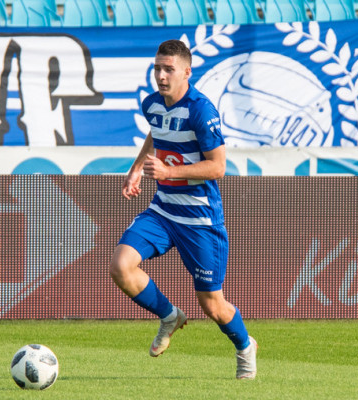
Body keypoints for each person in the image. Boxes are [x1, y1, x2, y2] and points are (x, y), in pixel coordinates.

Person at [109, 39, 257, 380]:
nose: (161, 76)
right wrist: (136, 170)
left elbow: (218, 167)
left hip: (200, 219)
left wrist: (168, 172)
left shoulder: (201, 111)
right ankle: (169, 316)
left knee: (212, 305)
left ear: (187, 72)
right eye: (157, 68)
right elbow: (156, 133)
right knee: (120, 266)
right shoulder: (152, 104)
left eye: (169, 70)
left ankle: (245, 346)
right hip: (163, 211)